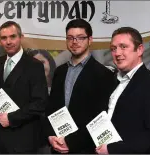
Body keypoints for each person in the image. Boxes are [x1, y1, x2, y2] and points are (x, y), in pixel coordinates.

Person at [46, 19, 116, 153]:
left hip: (85, 149)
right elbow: (51, 108)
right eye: (70, 38)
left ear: (90, 40)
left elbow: (101, 117)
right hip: (57, 146)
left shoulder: (104, 74)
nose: (75, 42)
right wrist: (50, 136)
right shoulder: (59, 71)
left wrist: (70, 142)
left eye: (80, 38)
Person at [95, 27, 150, 154]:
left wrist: (111, 150)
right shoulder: (110, 82)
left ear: (140, 49)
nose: (117, 53)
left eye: (123, 47)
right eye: (113, 48)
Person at [0, 21, 49, 153]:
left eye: (13, 36)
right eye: (4, 38)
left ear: (21, 37)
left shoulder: (34, 65)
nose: (8, 41)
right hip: (1, 140)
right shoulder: (0, 62)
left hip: (24, 140)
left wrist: (11, 118)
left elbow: (40, 103)